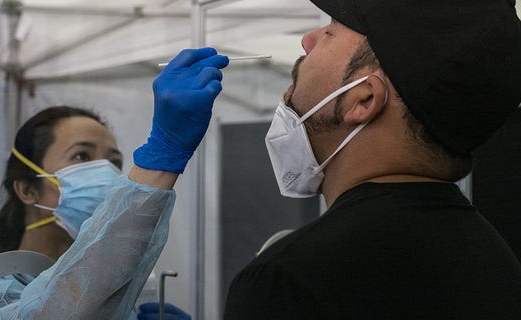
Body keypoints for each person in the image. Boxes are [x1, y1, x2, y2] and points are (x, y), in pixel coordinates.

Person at [221, 0, 521, 319]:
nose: (307, 40)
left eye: (330, 32)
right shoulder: (497, 266)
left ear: (363, 99)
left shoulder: (289, 282)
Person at [0, 47, 228, 320]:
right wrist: (161, 157)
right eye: (81, 156)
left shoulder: (117, 290)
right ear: (27, 189)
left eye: (113, 162)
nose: (105, 173)